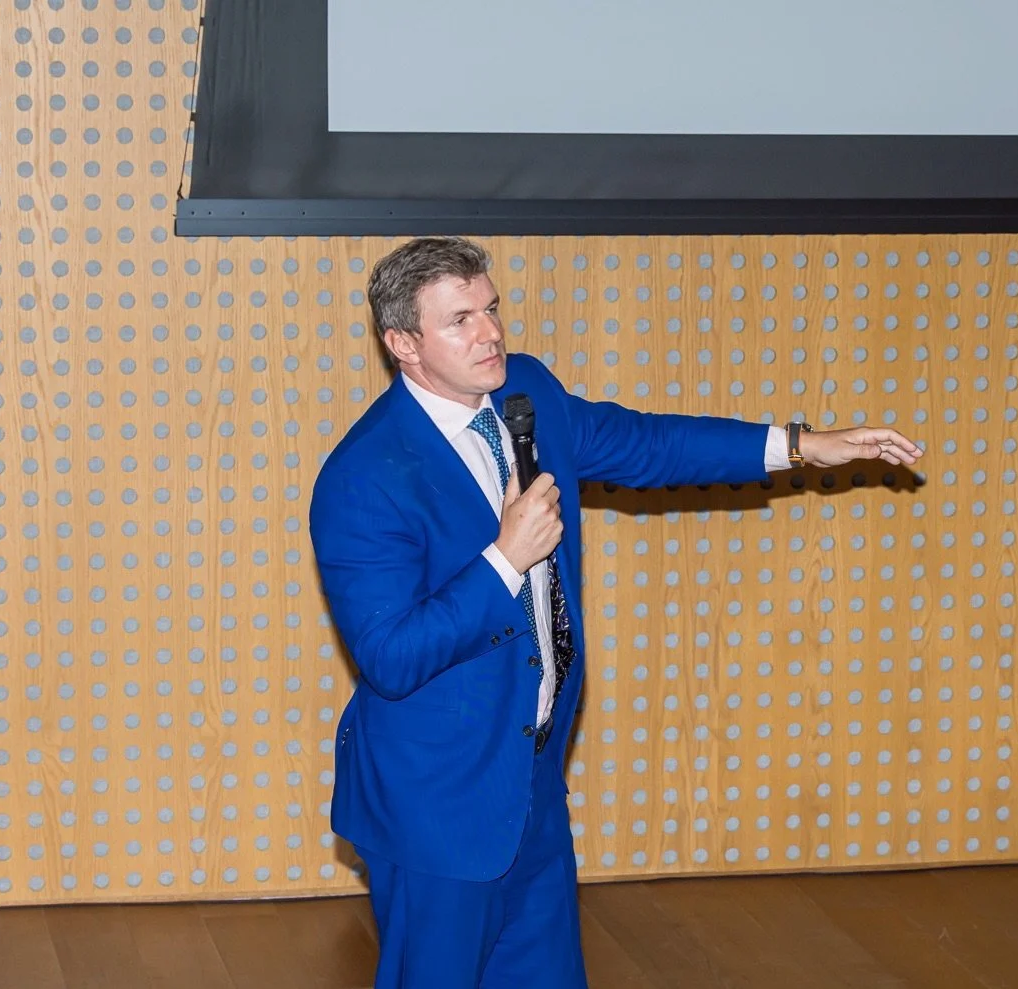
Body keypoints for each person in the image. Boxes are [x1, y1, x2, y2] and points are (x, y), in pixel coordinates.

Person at [308, 236, 923, 989]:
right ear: (402, 342)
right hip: (438, 801)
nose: (491, 332)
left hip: (532, 778)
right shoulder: (363, 477)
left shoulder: (525, 393)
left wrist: (804, 446)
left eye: (492, 308)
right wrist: (506, 558)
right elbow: (391, 657)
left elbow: (649, 443)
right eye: (460, 319)